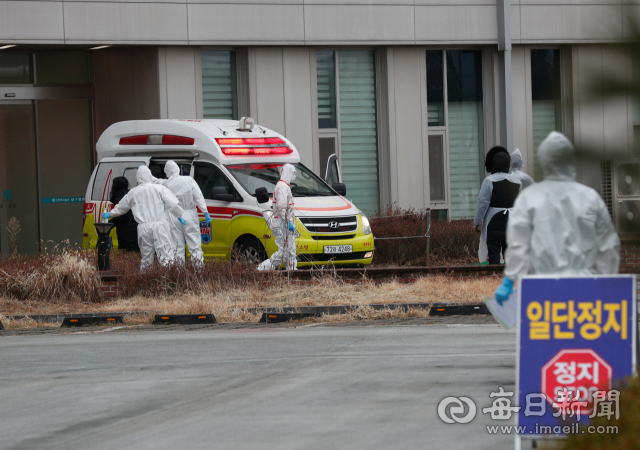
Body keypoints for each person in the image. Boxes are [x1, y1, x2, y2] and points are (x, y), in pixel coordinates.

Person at [495, 132, 621, 303]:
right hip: (585, 289)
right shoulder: (590, 197)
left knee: (548, 329)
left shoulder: (530, 198)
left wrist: (509, 281)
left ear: (544, 161)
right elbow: (609, 245)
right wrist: (606, 281)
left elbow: (519, 245)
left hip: (545, 290)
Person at [101, 166, 187, 271]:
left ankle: (145, 282)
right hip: (160, 226)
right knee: (165, 255)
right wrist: (180, 216)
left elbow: (122, 207)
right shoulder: (159, 188)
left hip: (143, 228)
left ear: (138, 178)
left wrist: (110, 214)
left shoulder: (133, 192)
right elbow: (172, 204)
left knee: (146, 256)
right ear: (149, 175)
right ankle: (167, 281)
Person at [154, 160, 211, 267]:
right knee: (195, 245)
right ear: (177, 169)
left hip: (174, 216)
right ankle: (199, 272)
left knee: (177, 247)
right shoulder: (188, 180)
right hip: (190, 214)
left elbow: (156, 181)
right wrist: (205, 212)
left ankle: (179, 275)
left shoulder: (166, 183)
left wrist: (144, 173)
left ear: (167, 172)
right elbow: (198, 196)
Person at [474, 151, 522, 265]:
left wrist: (477, 222)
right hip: (511, 221)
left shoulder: (489, 181)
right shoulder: (517, 182)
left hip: (493, 223)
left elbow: (482, 204)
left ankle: (494, 278)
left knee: (494, 255)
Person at [258, 164, 298, 271]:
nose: (294, 176)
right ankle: (262, 269)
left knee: (290, 250)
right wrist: (288, 222)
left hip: (284, 223)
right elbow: (281, 208)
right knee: (285, 252)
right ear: (288, 173)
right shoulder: (282, 187)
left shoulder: (285, 186)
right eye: (293, 173)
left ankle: (292, 271)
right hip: (281, 223)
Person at [108, 177, 139, 253]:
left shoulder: (119, 197)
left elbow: (120, 215)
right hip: (136, 229)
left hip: (126, 232)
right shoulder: (132, 195)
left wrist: (108, 225)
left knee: (127, 253)